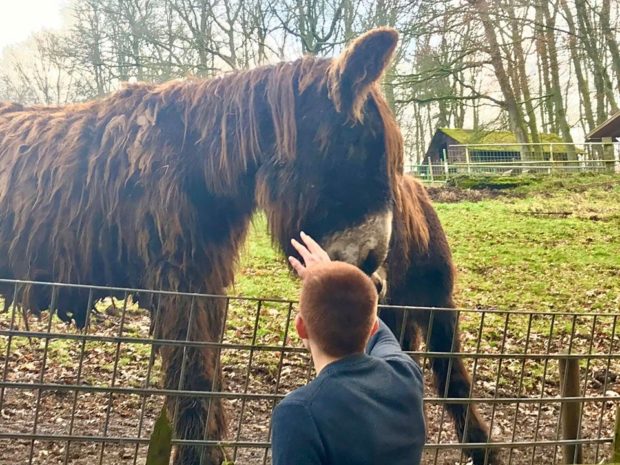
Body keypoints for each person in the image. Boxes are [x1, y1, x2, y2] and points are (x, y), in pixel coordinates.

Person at [270, 231, 426, 465]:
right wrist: (332, 275)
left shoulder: (300, 412)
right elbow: (377, 328)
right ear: (371, 326)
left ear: (301, 327)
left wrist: (325, 276)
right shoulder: (405, 376)